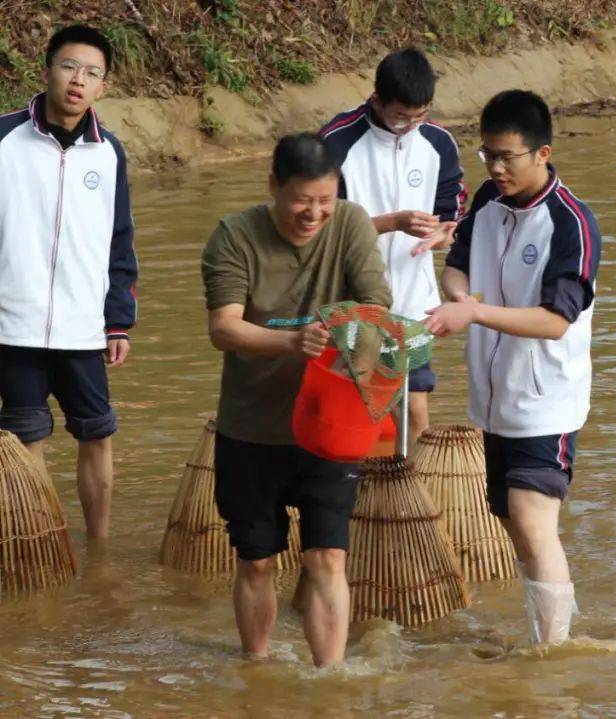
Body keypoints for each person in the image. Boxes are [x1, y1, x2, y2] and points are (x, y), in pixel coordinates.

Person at [201, 133, 390, 666]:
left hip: (330, 429)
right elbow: (224, 329)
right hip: (253, 427)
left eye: (325, 201)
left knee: (327, 556)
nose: (314, 213)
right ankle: (256, 667)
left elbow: (376, 303)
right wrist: (292, 341)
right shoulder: (234, 236)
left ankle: (328, 684)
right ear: (273, 188)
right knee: (257, 562)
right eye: (302, 200)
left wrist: (359, 351)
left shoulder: (350, 223)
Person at [424, 90, 601, 644]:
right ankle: (546, 628)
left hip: (546, 398)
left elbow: (555, 321)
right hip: (493, 398)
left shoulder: (571, 223)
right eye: (488, 156)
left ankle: (553, 652)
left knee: (529, 519)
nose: (496, 168)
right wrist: (458, 298)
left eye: (508, 157)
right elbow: (455, 266)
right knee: (514, 522)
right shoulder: (487, 200)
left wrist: (473, 310)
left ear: (543, 153)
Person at [0, 25, 137, 540]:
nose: (78, 80)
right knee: (25, 439)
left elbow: (119, 240)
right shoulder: (4, 139)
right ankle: (41, 545)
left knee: (97, 434)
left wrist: (118, 322)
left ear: (104, 86)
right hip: (12, 324)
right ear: (47, 70)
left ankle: (98, 546)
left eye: (92, 73)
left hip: (83, 327)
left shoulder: (110, 154)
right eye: (69, 67)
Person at [319, 47, 466, 449]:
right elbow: (317, 232)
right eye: (401, 115)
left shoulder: (439, 143)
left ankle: (406, 494)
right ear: (377, 99)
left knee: (416, 410)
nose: (410, 125)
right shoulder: (336, 143)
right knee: (354, 411)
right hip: (350, 304)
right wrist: (391, 223)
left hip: (413, 305)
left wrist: (445, 233)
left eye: (420, 116)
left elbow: (453, 210)